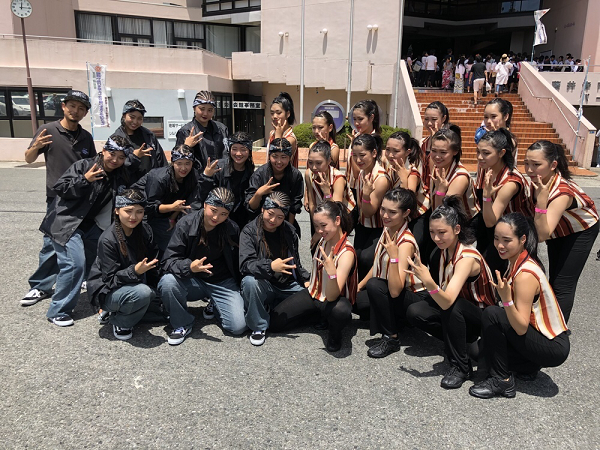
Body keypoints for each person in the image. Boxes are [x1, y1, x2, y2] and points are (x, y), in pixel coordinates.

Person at [470, 213, 570, 399]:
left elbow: (521, 327)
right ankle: (528, 365)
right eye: (496, 238)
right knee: (479, 350)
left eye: (507, 240)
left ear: (522, 239)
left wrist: (506, 299)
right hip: (540, 336)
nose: (500, 245)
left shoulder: (525, 274)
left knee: (493, 314)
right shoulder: (517, 260)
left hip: (552, 345)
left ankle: (502, 381)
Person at [39, 135, 134, 326]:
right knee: (75, 264)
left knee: (105, 258)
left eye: (121, 157)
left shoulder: (120, 174)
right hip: (67, 223)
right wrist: (85, 179)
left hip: (91, 225)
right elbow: (61, 188)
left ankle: (101, 300)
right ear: (103, 151)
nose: (115, 160)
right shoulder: (84, 165)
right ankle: (58, 310)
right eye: (112, 154)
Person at [405, 196, 496, 389]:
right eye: (432, 232)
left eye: (442, 232)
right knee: (415, 311)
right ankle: (457, 342)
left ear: (457, 229)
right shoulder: (442, 250)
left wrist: (427, 280)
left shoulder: (467, 257)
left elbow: (447, 301)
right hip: (458, 308)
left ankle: (461, 366)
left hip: (481, 315)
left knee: (452, 306)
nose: (436, 238)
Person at [21, 90, 95, 307]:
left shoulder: (86, 137)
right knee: (52, 245)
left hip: (82, 196)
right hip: (57, 198)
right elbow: (28, 158)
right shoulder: (48, 130)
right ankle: (40, 286)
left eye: (81, 108)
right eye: (72, 106)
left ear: (85, 113)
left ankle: (82, 277)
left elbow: (91, 164)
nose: (76, 111)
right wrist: (35, 147)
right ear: (63, 106)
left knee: (85, 240)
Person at [158, 187, 246, 346]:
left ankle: (216, 303)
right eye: (213, 210)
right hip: (193, 279)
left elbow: (237, 262)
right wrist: (189, 266)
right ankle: (182, 323)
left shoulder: (232, 228)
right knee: (167, 282)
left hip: (221, 281)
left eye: (223, 214)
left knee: (238, 327)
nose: (216, 217)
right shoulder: (186, 223)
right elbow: (168, 261)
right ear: (205, 205)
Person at [524, 141, 599, 322]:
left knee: (562, 283)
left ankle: (557, 331)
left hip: (581, 230)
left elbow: (542, 235)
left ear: (553, 165)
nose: (530, 169)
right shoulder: (538, 181)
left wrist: (541, 203)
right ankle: (547, 322)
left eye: (536, 164)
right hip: (557, 228)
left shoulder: (562, 192)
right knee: (553, 278)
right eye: (527, 163)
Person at [270, 201, 357, 353]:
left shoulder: (346, 252)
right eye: (316, 226)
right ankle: (318, 316)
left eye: (323, 225)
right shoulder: (323, 239)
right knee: (274, 323)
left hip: (334, 300)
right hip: (314, 292)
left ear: (337, 220)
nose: (319, 230)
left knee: (340, 311)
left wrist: (332, 273)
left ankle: (335, 332)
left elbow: (333, 295)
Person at [358, 189, 427, 358]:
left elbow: (396, 291)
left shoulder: (405, 242)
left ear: (406, 213)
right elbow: (377, 265)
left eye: (392, 212)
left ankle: (391, 338)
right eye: (383, 209)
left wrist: (395, 258)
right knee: (354, 301)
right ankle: (397, 320)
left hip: (413, 295)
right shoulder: (389, 229)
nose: (385, 215)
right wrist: (357, 287)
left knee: (375, 285)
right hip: (392, 289)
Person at [87, 188, 159, 340]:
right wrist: (135, 271)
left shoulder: (145, 230)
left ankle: (117, 310)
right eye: (128, 211)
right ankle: (120, 321)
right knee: (143, 294)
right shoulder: (108, 239)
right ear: (117, 210)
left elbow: (155, 262)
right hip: (107, 289)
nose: (133, 217)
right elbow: (110, 280)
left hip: (134, 283)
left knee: (160, 296)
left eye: (139, 212)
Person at [239, 192, 310, 346]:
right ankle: (258, 326)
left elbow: (295, 262)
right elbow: (245, 265)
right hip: (264, 283)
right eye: (270, 214)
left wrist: (305, 279)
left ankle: (270, 306)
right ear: (262, 209)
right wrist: (270, 266)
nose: (273, 220)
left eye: (280, 217)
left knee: (313, 297)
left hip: (287, 283)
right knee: (250, 282)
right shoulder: (249, 231)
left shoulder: (289, 230)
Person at [133, 145, 198, 253]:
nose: (183, 168)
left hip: (167, 212)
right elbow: (149, 206)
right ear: (172, 163)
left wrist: (172, 218)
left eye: (187, 163)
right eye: (179, 163)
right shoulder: (159, 177)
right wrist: (172, 207)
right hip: (142, 211)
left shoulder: (193, 176)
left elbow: (183, 201)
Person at [384, 131, 430, 256]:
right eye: (387, 150)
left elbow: (408, 203)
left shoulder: (412, 173)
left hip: (418, 215)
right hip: (400, 215)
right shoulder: (390, 167)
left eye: (396, 151)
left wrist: (404, 180)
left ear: (407, 152)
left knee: (412, 252)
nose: (390, 155)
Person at [197, 131, 255, 231]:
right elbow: (202, 195)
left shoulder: (251, 172)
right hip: (216, 217)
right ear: (229, 149)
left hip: (240, 220)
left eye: (243, 149)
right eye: (234, 149)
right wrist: (206, 177)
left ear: (249, 151)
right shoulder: (218, 167)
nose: (238, 153)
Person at [246, 138, 304, 236]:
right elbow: (251, 207)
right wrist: (259, 194)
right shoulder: (259, 175)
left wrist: (288, 228)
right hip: (261, 223)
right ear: (269, 156)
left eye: (283, 157)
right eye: (275, 156)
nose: (279, 161)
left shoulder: (295, 175)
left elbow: (294, 205)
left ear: (290, 157)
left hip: (284, 221)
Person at [353, 134, 391, 282]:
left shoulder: (380, 178)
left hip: (379, 227)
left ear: (374, 153)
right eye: (354, 155)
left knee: (367, 260)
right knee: (356, 258)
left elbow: (369, 212)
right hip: (363, 225)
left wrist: (366, 195)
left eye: (362, 155)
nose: (358, 160)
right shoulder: (362, 172)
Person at [305, 141, 356, 248]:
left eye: (319, 163)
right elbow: (312, 203)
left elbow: (337, 209)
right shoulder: (308, 173)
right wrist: (317, 228)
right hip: (322, 212)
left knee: (333, 244)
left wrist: (327, 192)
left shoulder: (338, 178)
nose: (314, 167)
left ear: (329, 161)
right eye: (310, 162)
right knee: (316, 246)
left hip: (343, 213)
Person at [113, 99, 167, 183]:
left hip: (151, 183)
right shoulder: (115, 139)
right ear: (124, 116)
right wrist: (134, 157)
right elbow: (114, 167)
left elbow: (161, 160)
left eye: (139, 118)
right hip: (129, 186)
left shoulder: (149, 135)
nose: (135, 122)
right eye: (132, 117)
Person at [175, 91, 229, 170]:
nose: (205, 113)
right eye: (202, 109)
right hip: (198, 176)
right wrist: (186, 146)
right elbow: (178, 161)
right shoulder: (186, 132)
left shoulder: (221, 129)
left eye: (210, 110)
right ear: (194, 108)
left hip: (221, 174)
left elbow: (226, 154)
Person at [268, 92, 299, 168]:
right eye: (272, 113)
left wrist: (278, 136)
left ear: (288, 114)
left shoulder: (291, 138)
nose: (274, 116)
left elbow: (277, 158)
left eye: (278, 113)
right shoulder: (272, 133)